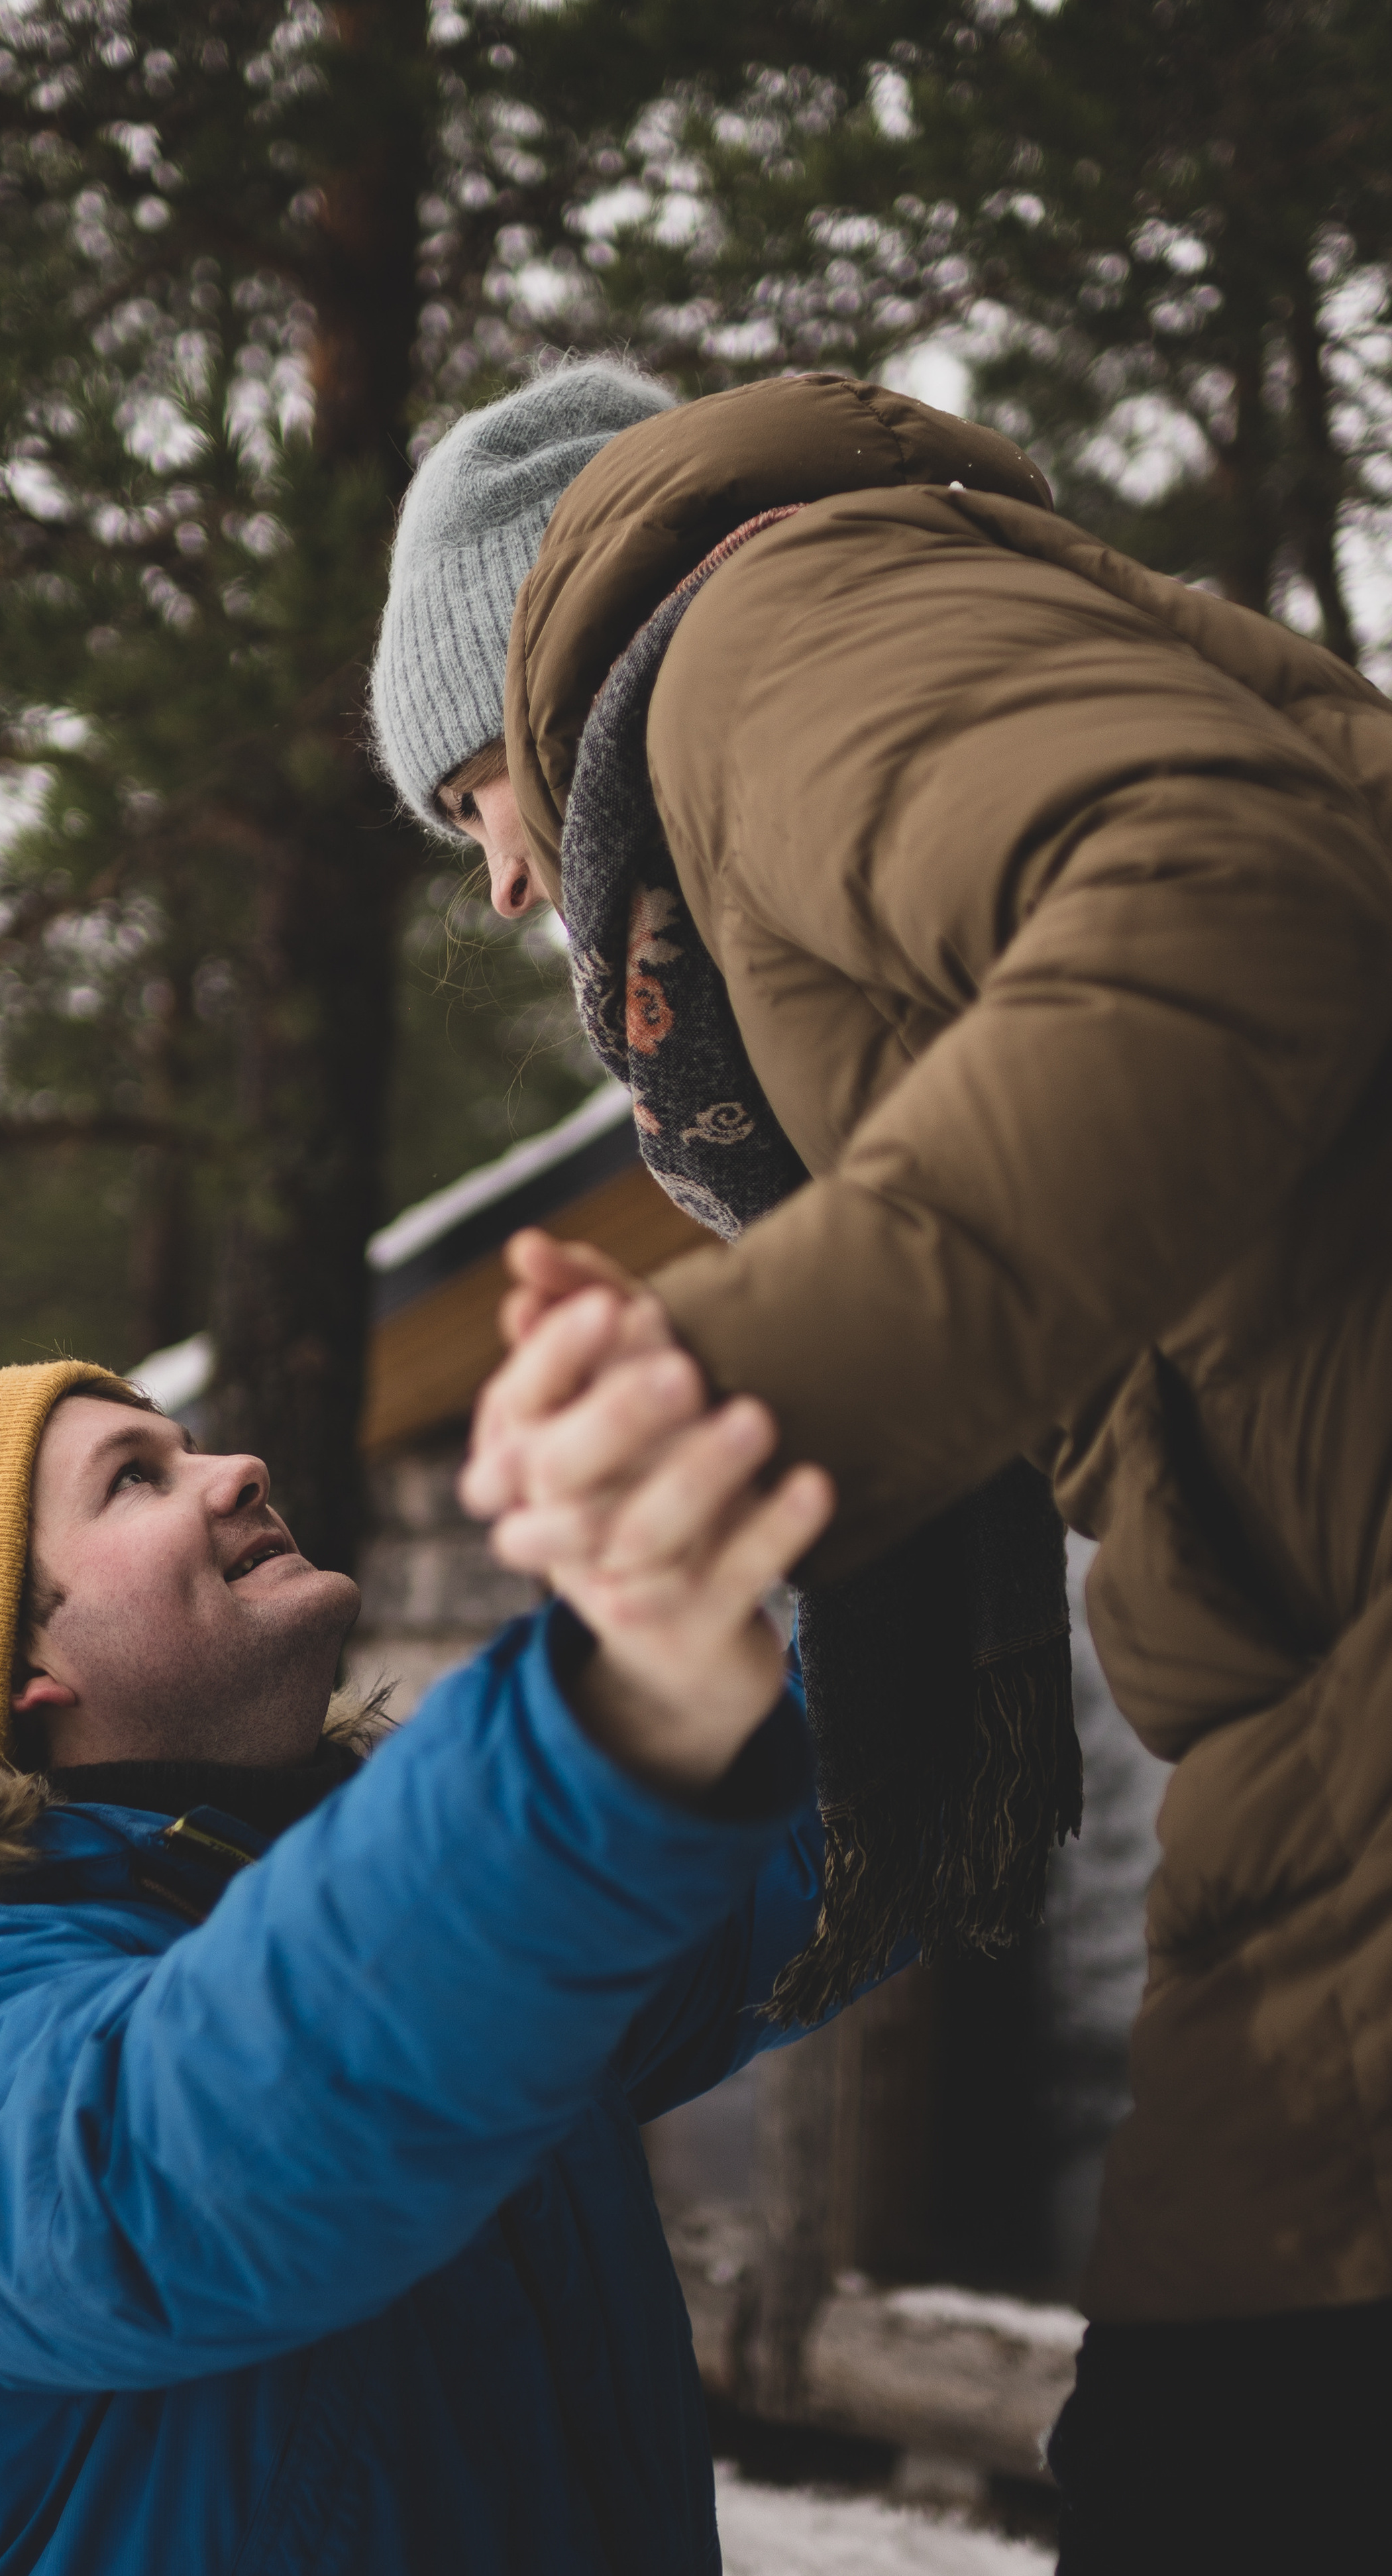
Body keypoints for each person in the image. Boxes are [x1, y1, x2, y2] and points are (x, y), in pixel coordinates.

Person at [370, 357, 1392, 2571]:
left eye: (470, 808)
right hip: (1321, 1707)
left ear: (522, 696)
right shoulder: (811, 627)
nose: (499, 885)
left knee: (1223, 2483)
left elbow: (1225, 894)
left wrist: (757, 1380)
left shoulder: (767, 619)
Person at [0, 1346, 873, 2576]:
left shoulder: (442, 1956)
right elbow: (178, 2163)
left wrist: (912, 1527)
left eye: (190, 1447)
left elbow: (806, 1855)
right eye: (133, 1482)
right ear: (26, 1664)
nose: (238, 1469)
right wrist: (543, 1758)